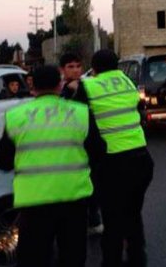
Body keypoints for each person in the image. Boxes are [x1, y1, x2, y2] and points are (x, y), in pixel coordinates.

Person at [0, 65, 106, 267]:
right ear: (60, 84)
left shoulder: (16, 116)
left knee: (34, 259)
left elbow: (1, 160)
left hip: (34, 204)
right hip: (74, 200)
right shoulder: (81, 113)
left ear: (32, 87)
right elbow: (98, 150)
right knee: (73, 258)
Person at [74, 50, 154, 267]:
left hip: (113, 165)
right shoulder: (127, 82)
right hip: (142, 160)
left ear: (94, 68)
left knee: (113, 220)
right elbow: (139, 112)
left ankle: (112, 261)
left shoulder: (88, 86)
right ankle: (138, 259)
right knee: (133, 215)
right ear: (117, 65)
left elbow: (77, 122)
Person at [59, 52, 105, 235]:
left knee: (90, 184)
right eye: (71, 66)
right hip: (70, 146)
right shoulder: (63, 89)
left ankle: (93, 220)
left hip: (88, 144)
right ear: (62, 70)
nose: (76, 70)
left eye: (78, 66)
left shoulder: (86, 87)